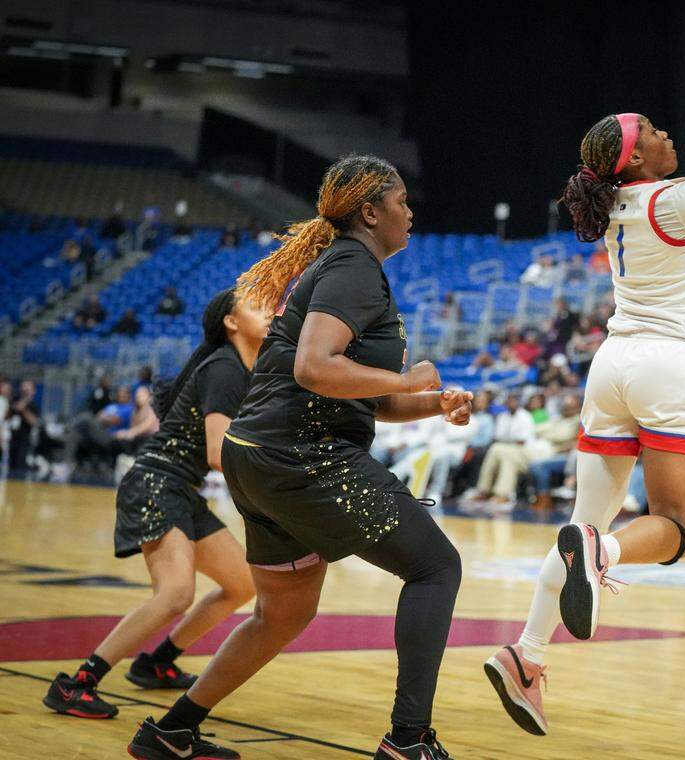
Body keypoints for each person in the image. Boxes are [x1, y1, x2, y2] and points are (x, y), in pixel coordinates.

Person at [485, 51, 685, 736]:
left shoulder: (632, 201)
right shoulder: (675, 199)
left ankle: (526, 655)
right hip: (669, 366)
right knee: (676, 530)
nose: (664, 132)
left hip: (612, 367)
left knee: (583, 519)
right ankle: (604, 555)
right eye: (653, 129)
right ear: (638, 159)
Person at [126, 156, 471, 760]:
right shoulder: (353, 266)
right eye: (401, 201)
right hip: (303, 456)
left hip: (260, 457)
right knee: (435, 566)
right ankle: (408, 740)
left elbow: (362, 399)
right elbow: (316, 369)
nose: (411, 211)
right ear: (370, 211)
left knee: (282, 614)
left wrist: (431, 402)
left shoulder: (344, 268)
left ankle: (172, 731)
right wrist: (403, 375)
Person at [43, 289, 270, 720]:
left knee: (241, 583)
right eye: (257, 306)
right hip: (156, 482)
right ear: (231, 322)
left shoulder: (244, 371)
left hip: (181, 488)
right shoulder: (224, 367)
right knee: (175, 594)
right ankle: (78, 684)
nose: (271, 312)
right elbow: (220, 455)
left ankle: (157, 662)